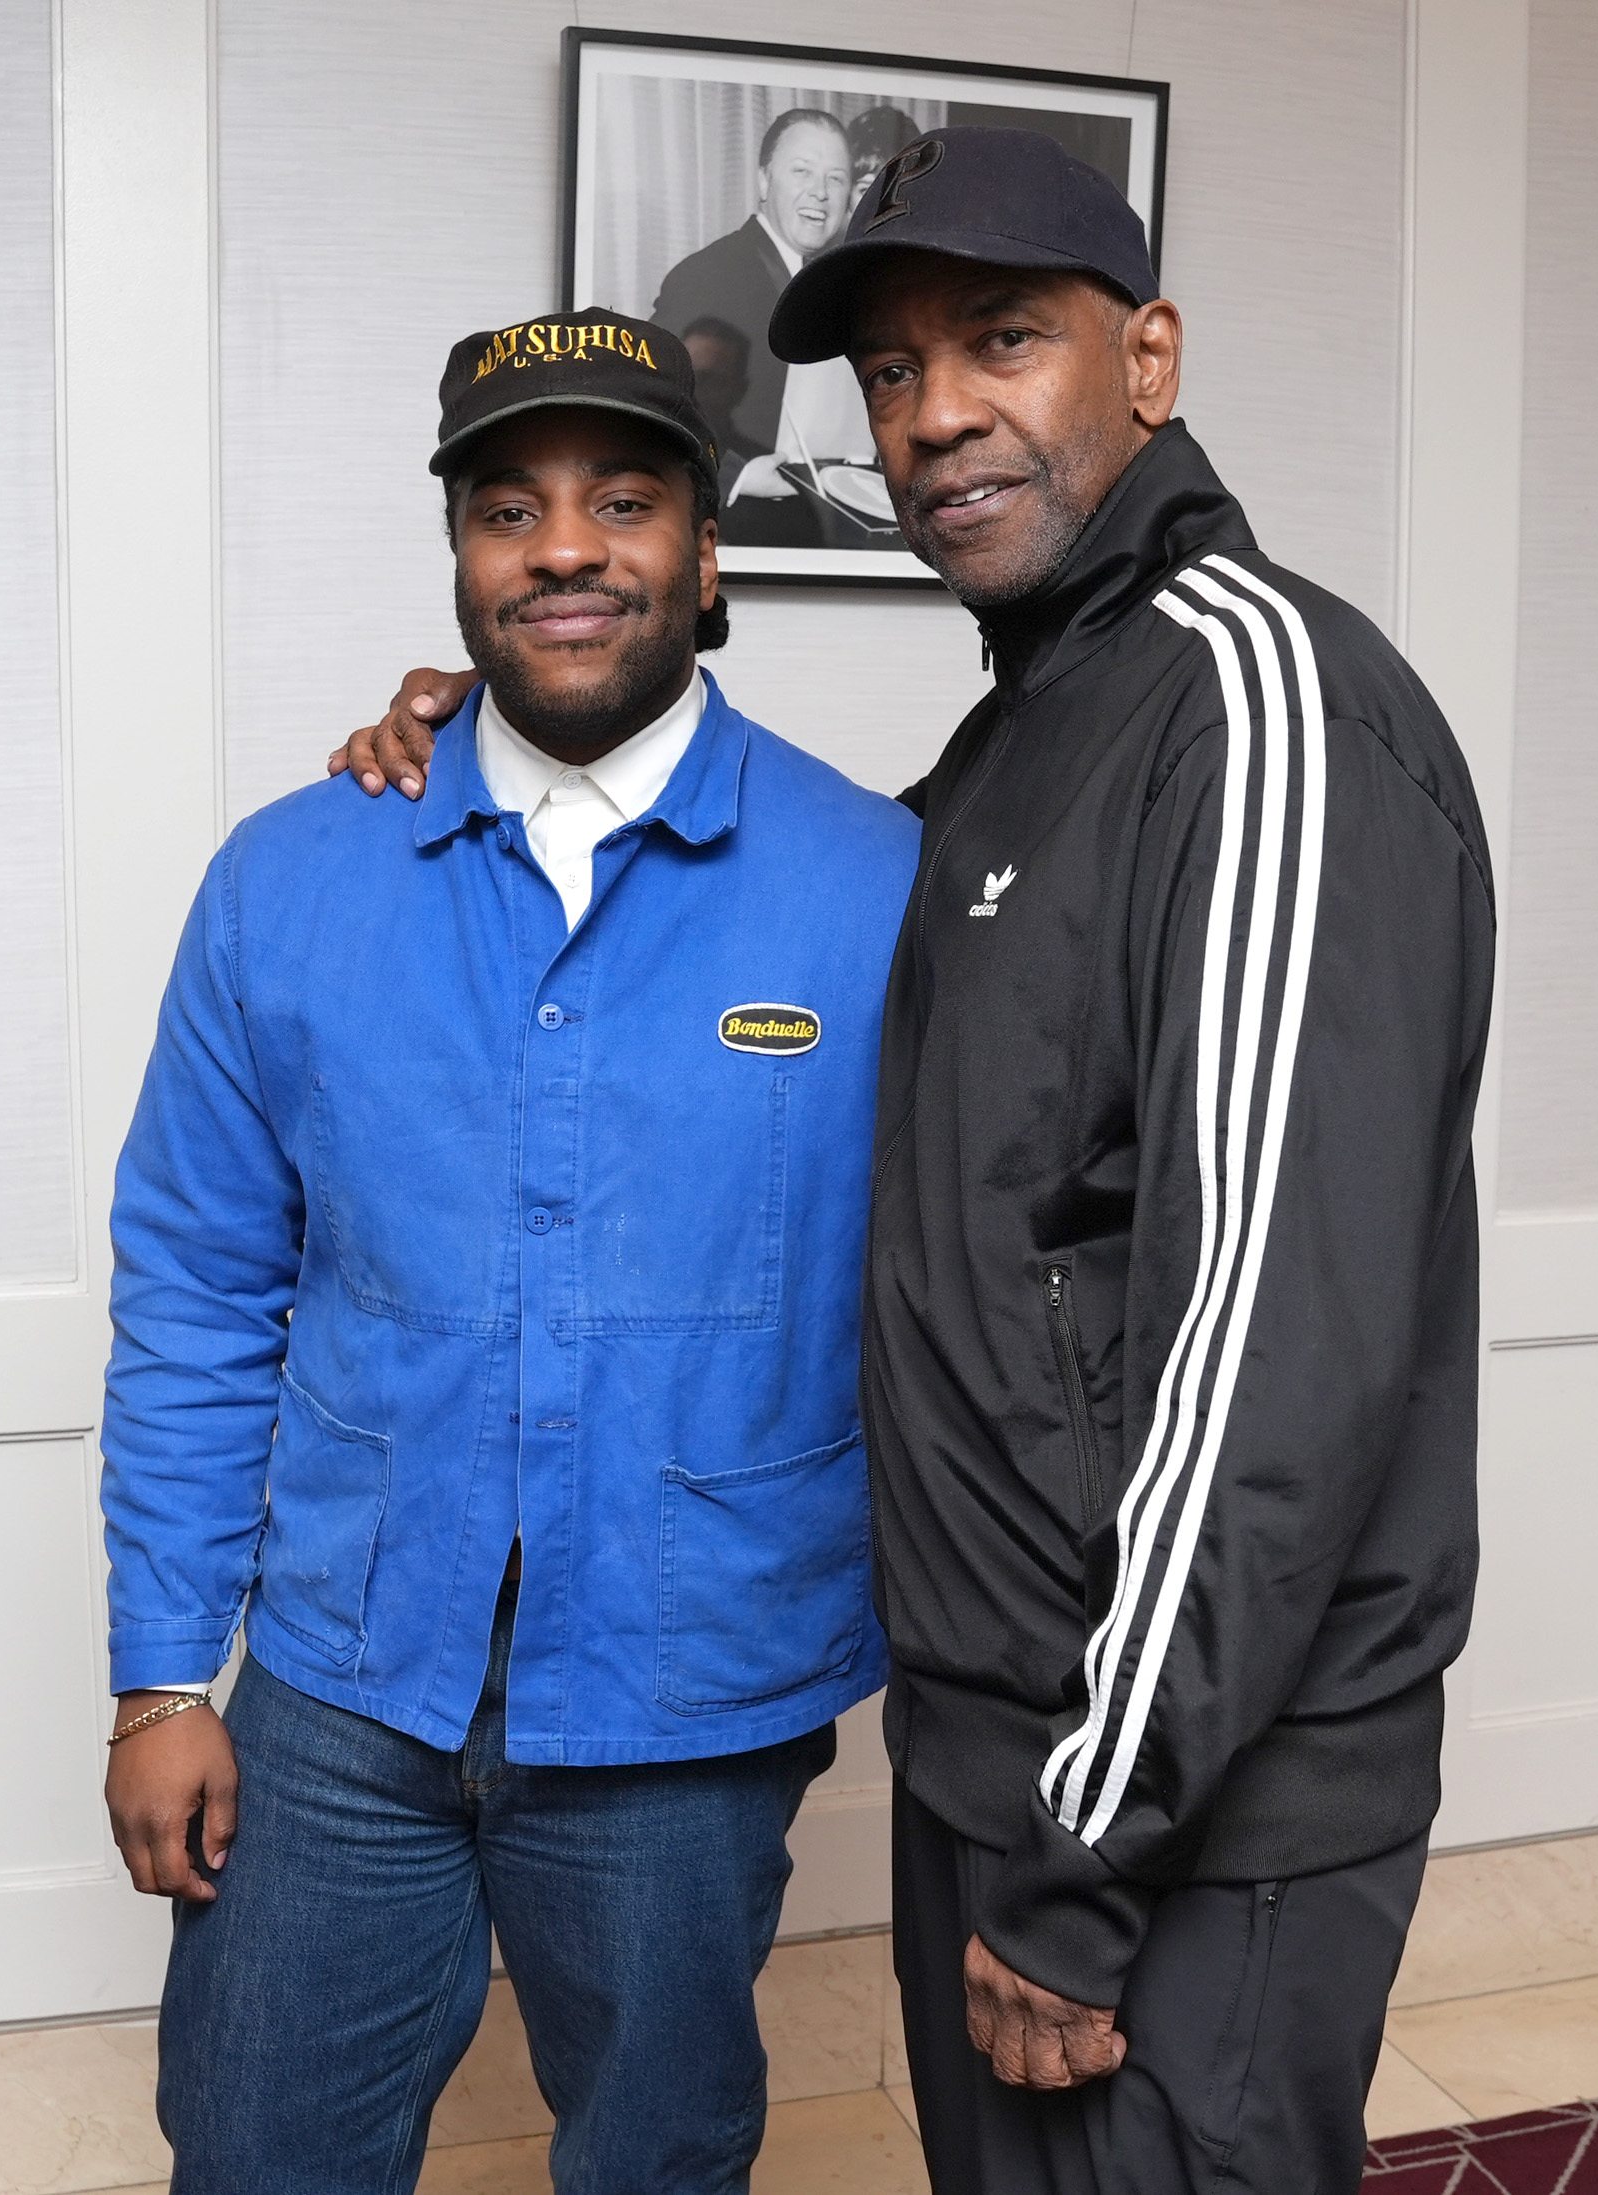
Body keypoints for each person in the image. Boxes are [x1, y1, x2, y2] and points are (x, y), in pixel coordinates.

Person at [331, 128, 1492, 2195]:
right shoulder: (1013, 745)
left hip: (1170, 1809)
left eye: (999, 340)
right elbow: (772, 918)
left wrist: (1079, 1851)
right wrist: (509, 736)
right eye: (883, 370)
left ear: (1143, 357)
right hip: (1005, 1757)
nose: (930, 410)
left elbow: (1263, 1359)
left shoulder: (1261, 701)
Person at [100, 307, 920, 2193]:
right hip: (338, 1678)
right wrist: (162, 1678)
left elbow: (944, 1305)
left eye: (624, 500)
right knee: (255, 2146)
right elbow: (203, 1296)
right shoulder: (292, 879)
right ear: (463, 560)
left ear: (707, 555)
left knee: (657, 2154)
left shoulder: (873, 882)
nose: (563, 547)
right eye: (507, 509)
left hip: (690, 1686)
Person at [652, 105, 852, 547]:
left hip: (827, 520)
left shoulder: (845, 285)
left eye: (835, 178)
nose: (820, 192)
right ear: (764, 181)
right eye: (802, 171)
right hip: (735, 530)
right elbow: (653, 403)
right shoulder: (704, 274)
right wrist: (736, 476)